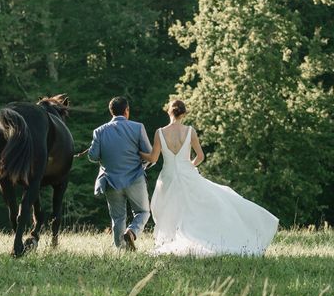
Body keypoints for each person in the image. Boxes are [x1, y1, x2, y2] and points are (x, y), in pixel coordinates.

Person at [140, 100, 279, 255]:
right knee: (197, 206)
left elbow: (153, 158)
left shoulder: (160, 132)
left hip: (168, 176)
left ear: (168, 112)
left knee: (170, 208)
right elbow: (200, 156)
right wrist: (189, 166)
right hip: (187, 174)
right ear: (184, 114)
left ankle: (172, 238)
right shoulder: (190, 131)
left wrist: (138, 153)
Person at [85, 97, 152, 250]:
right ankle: (132, 232)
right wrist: (142, 166)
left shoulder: (99, 131)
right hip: (135, 177)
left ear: (111, 111)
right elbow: (149, 154)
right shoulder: (138, 127)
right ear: (126, 110)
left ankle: (121, 250)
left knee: (117, 218)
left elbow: (93, 157)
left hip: (110, 180)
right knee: (143, 211)